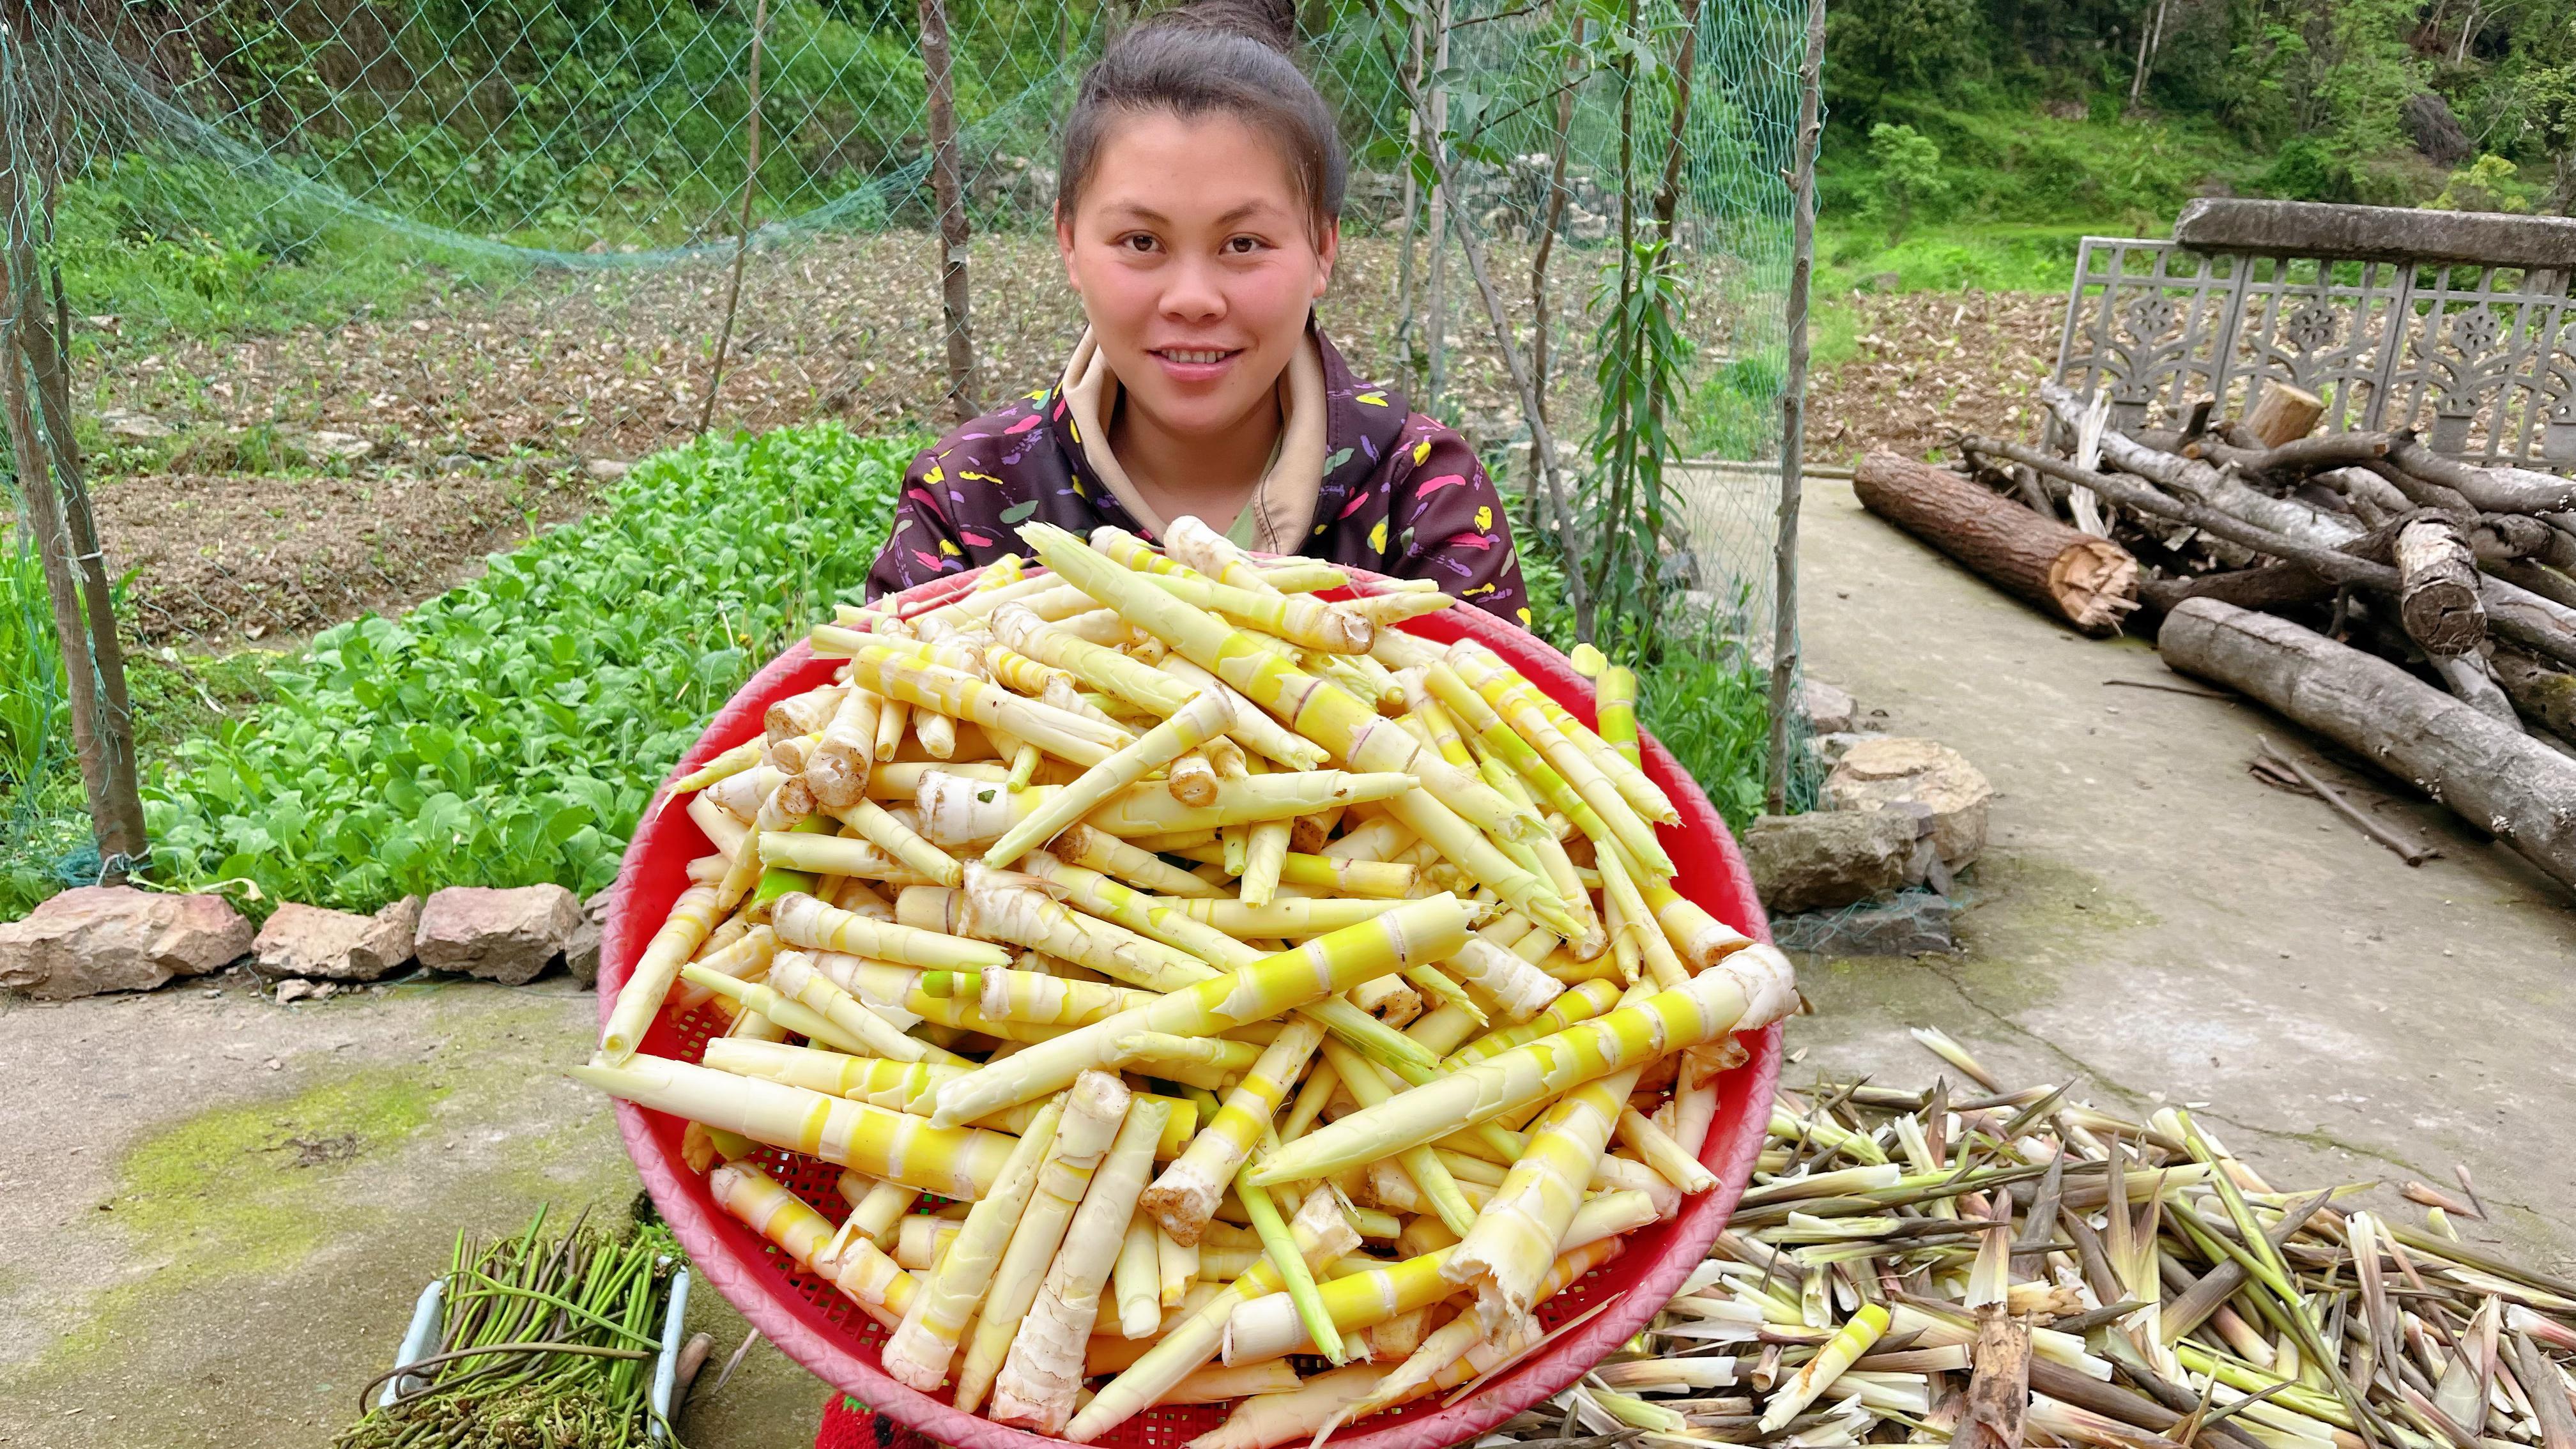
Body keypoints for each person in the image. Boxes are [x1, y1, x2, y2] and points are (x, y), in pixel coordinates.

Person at [865, 0, 1530, 625]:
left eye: (1243, 244)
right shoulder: (967, 499)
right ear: (1069, 242)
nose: (1192, 299)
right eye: (1141, 242)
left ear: (1323, 248)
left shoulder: (1420, 494)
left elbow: (1515, 735)